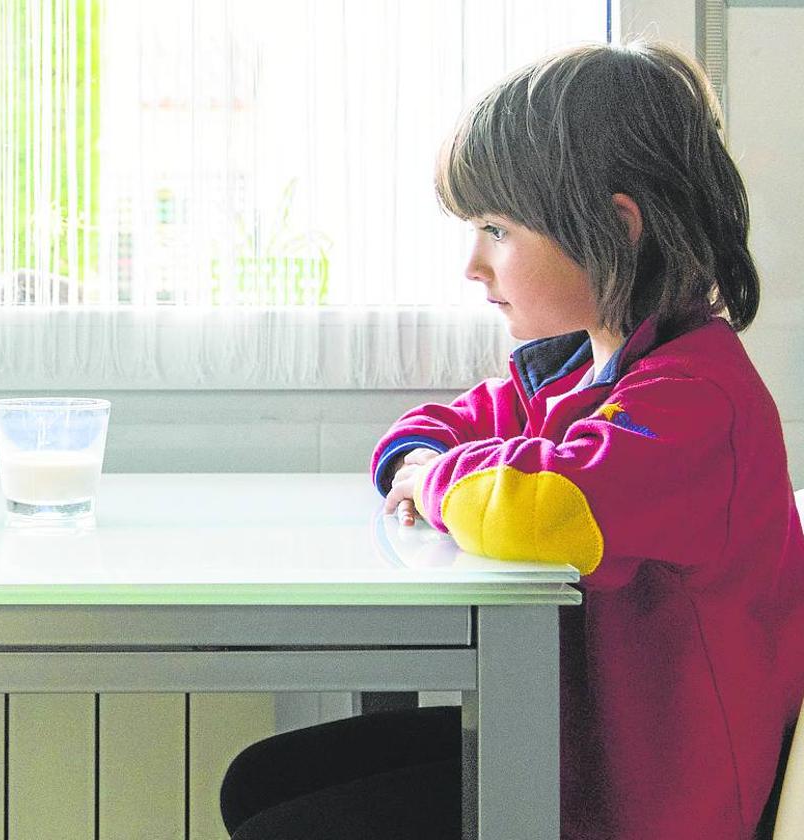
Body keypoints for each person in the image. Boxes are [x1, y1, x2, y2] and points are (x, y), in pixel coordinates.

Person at [220, 40, 804, 839]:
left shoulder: (694, 404)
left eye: (496, 229)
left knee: (286, 822)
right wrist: (426, 462)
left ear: (614, 227)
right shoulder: (580, 370)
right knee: (266, 780)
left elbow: (541, 506)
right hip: (568, 756)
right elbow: (430, 429)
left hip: (640, 810)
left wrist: (430, 484)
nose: (472, 265)